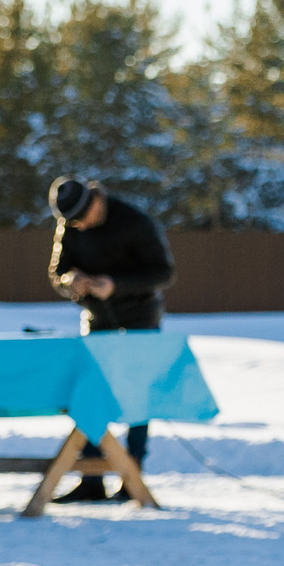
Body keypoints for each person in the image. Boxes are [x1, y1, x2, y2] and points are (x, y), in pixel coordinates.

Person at [47, 177, 176, 503]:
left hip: (140, 319)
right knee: (91, 393)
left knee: (136, 397)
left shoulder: (135, 222)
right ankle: (91, 479)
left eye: (80, 219)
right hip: (97, 320)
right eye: (70, 222)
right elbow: (56, 272)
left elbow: (163, 272)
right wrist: (70, 281)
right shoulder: (70, 224)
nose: (77, 226)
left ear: (96, 202)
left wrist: (115, 285)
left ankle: (132, 477)